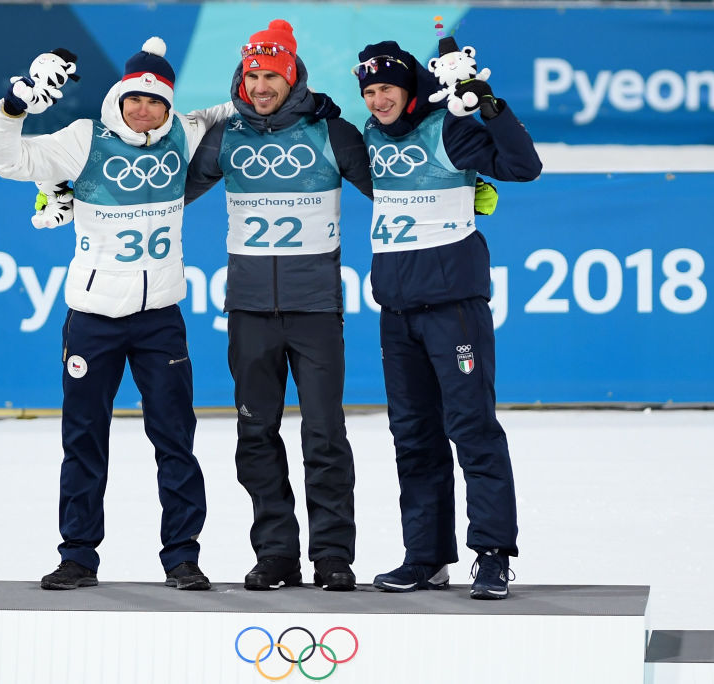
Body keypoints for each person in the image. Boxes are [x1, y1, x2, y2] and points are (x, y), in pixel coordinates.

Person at [0, 38, 233, 591]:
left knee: (175, 440)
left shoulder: (182, 134)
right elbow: (5, 160)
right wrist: (13, 105)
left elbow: (232, 107)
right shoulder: (84, 140)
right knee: (84, 438)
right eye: (134, 98)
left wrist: (291, 89)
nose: (144, 109)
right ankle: (77, 555)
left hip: (159, 319)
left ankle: (182, 557)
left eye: (156, 101)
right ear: (119, 97)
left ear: (169, 106)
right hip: (94, 319)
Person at [185, 19, 374, 591]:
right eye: (252, 74)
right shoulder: (226, 136)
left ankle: (333, 556)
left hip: (315, 310)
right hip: (248, 313)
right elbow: (166, 191)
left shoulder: (331, 133)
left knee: (324, 435)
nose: (260, 84)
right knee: (255, 435)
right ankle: (276, 555)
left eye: (271, 74)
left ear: (290, 74)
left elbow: (393, 185)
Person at [352, 38, 542, 599]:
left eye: (386, 88)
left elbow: (522, 166)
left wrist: (491, 107)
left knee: (472, 429)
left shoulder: (448, 128)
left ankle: (491, 553)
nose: (378, 99)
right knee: (412, 437)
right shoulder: (367, 135)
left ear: (409, 87)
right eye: (368, 91)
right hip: (397, 312)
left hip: (453, 308)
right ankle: (426, 556)